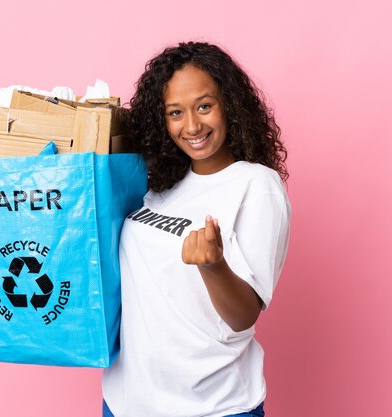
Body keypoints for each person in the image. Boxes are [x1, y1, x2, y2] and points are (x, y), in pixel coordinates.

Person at [102, 41, 291, 417]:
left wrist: (213, 265)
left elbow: (244, 316)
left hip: (211, 405)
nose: (192, 126)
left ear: (230, 106)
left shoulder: (256, 185)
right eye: (175, 112)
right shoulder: (158, 185)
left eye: (205, 106)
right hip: (127, 401)